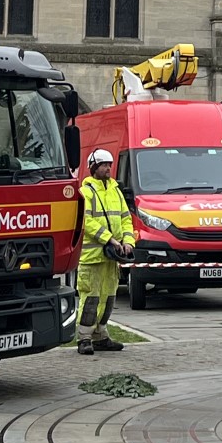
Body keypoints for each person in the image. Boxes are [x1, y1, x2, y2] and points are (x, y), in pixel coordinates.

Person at [76, 147, 133, 356]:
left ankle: (101, 336)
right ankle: (84, 338)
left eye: (109, 164)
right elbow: (86, 221)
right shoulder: (87, 192)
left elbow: (126, 218)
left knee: (108, 297)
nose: (108, 167)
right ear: (94, 167)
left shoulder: (116, 190)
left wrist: (128, 242)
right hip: (92, 257)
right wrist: (109, 238)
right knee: (90, 298)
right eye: (103, 165)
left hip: (112, 257)